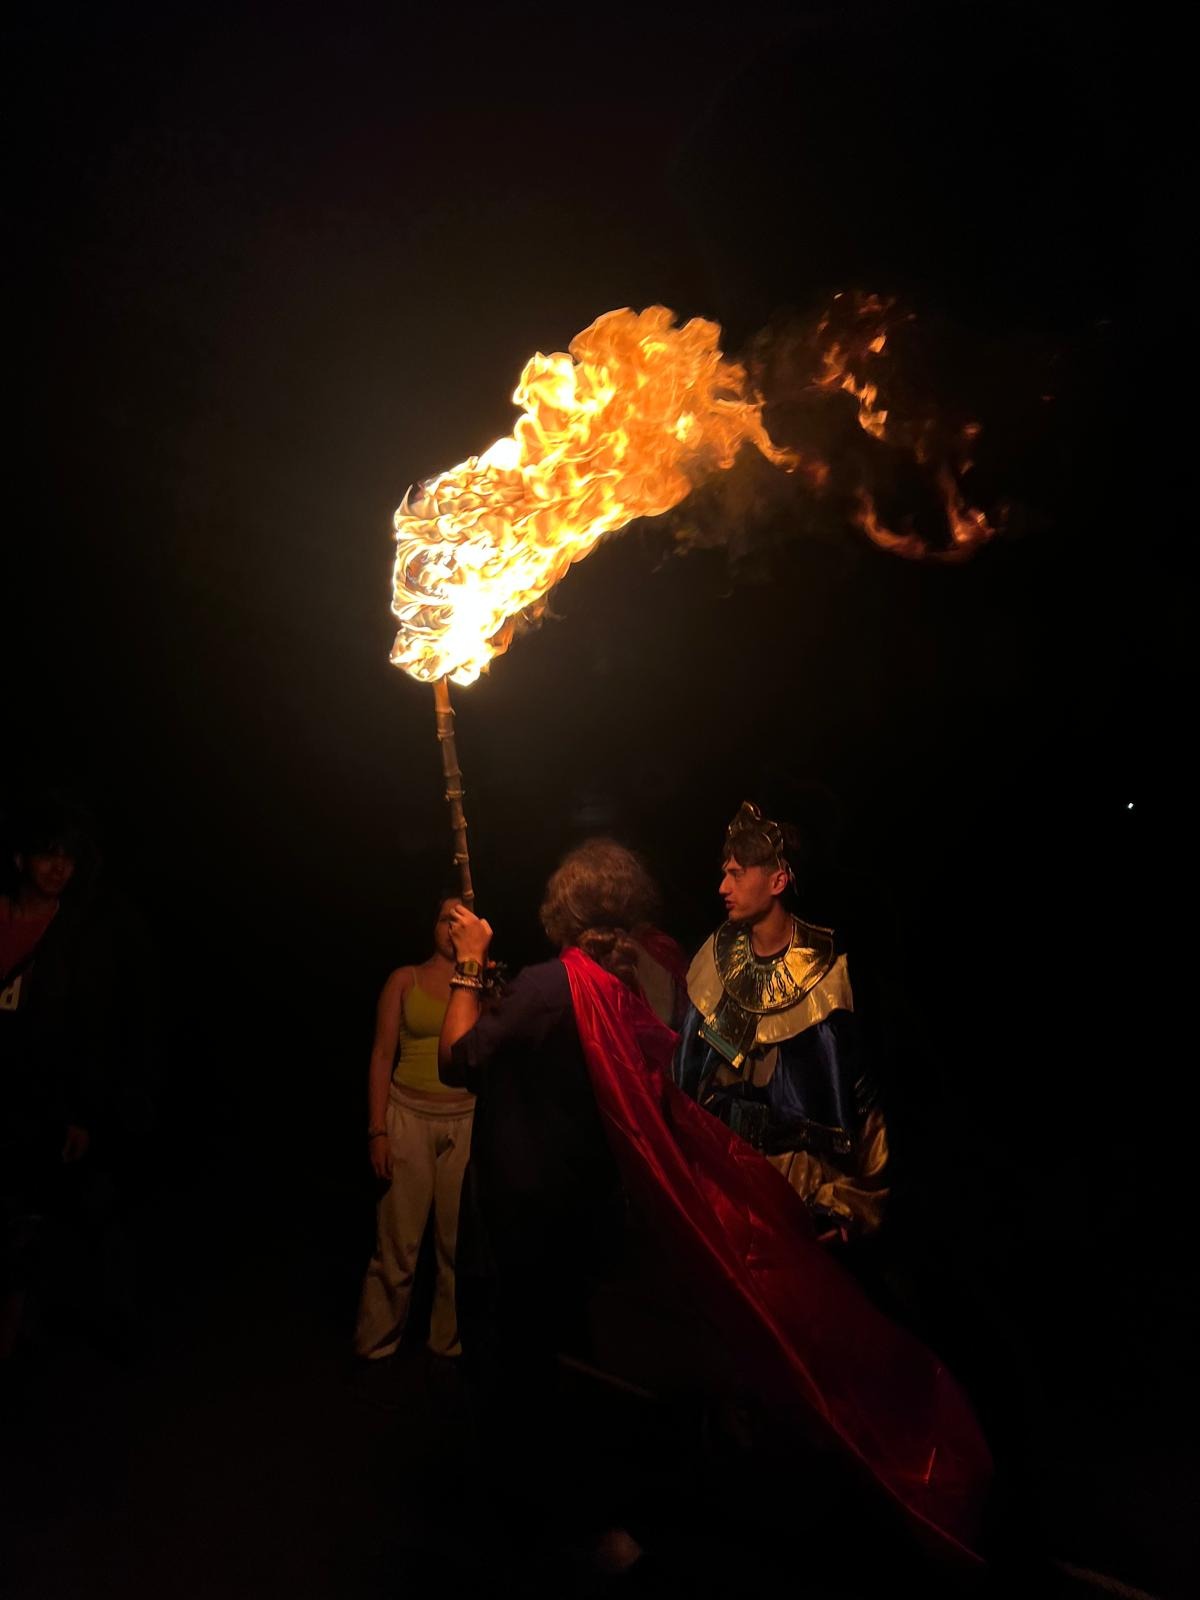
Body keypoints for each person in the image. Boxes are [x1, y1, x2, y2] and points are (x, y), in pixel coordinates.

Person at [673, 799, 889, 1244]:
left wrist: (854, 1206)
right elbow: (687, 1077)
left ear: (777, 879)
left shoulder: (831, 977)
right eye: (725, 871)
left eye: (737, 873)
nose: (722, 886)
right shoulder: (716, 965)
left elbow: (866, 1104)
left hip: (803, 1192)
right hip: (726, 1180)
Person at [354, 896, 474, 1362]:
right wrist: (377, 1130)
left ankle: (447, 1346)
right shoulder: (404, 980)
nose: (450, 928)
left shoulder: (479, 984)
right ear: (433, 925)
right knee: (397, 1245)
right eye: (445, 918)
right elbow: (382, 1055)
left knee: (455, 1247)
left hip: (462, 1119)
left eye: (460, 921)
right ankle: (374, 1346)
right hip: (408, 1116)